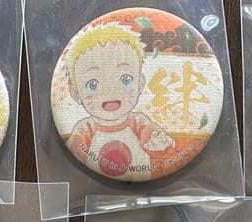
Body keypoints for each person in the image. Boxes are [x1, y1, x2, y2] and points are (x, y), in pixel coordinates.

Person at [65, 22, 174, 179]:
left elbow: (154, 139)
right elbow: (75, 156)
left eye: (125, 79)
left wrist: (158, 143)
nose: (110, 91)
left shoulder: (139, 122)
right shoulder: (85, 129)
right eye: (93, 84)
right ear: (76, 95)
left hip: (146, 182)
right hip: (95, 182)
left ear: (140, 85)